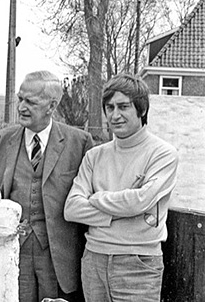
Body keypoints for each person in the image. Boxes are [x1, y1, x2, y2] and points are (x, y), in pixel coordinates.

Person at [64, 73, 178, 302]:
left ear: (142, 109)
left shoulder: (163, 154)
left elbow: (140, 201)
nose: (115, 115)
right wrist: (125, 211)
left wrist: (96, 198)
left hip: (138, 263)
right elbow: (72, 209)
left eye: (123, 107)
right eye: (109, 107)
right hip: (94, 259)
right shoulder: (94, 156)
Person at [0, 70, 93, 302]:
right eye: (20, 99)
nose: (21, 106)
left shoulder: (79, 143)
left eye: (30, 102)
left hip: (59, 259)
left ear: (51, 106)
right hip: (12, 253)